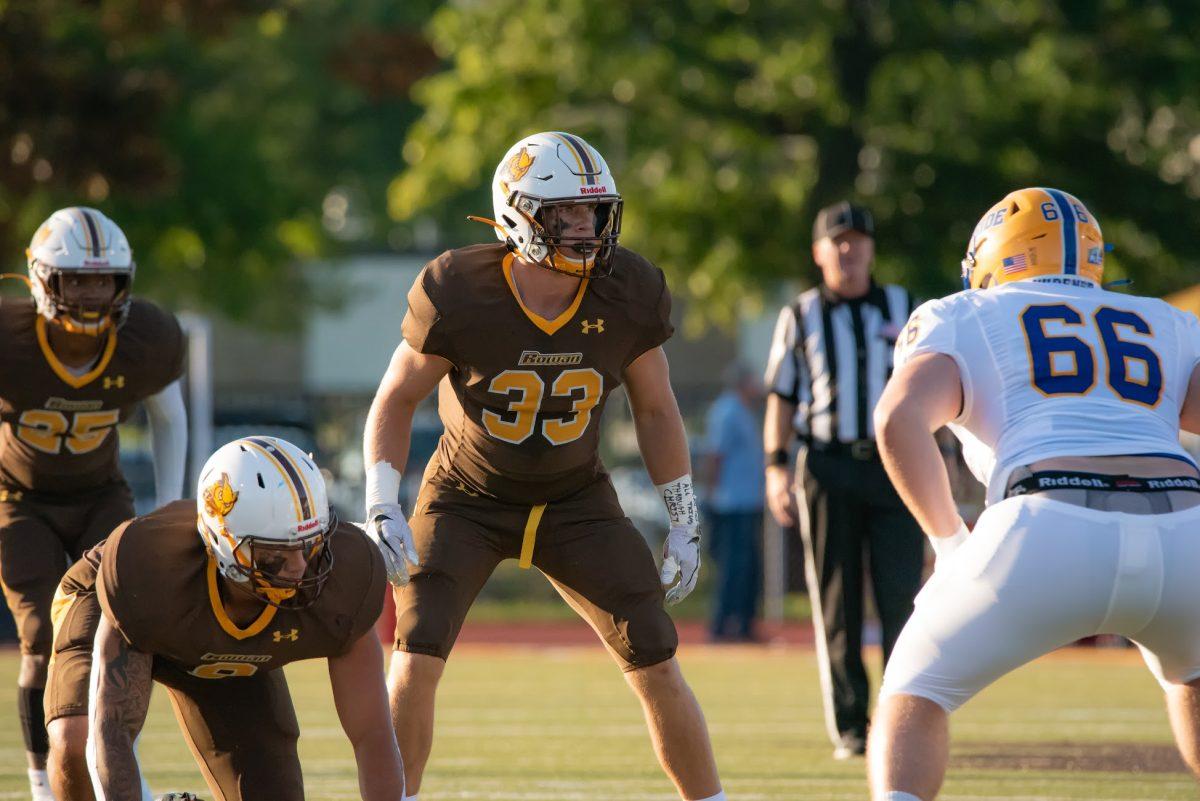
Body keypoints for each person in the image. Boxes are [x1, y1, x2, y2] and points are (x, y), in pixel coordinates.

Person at [362, 131, 725, 801]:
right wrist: (382, 500)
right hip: (464, 494)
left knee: (656, 652)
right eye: (567, 212)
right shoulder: (458, 288)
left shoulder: (629, 290)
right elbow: (397, 397)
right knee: (415, 650)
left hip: (574, 497)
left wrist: (683, 520)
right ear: (519, 213)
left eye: (594, 212)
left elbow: (656, 409)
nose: (587, 227)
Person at [869, 187, 1200, 800]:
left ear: (997, 256)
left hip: (1046, 521)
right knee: (1193, 676)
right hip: (1186, 524)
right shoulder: (1168, 320)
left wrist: (949, 543)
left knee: (916, 690)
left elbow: (897, 420)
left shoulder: (962, 313)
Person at [45, 436, 404, 801]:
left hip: (215, 639)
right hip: (115, 604)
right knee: (77, 736)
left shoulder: (345, 581)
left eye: (309, 547)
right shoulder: (146, 575)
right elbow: (112, 731)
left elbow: (372, 733)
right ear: (223, 542)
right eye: (275, 554)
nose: (299, 570)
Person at [0, 207, 188, 801]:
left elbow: (169, 417)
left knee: (118, 627)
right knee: (40, 636)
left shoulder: (146, 342)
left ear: (122, 283)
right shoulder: (11, 340)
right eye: (76, 279)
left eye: (101, 280)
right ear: (43, 281)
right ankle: (42, 782)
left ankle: (113, 765)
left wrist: (174, 508)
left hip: (101, 497)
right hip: (18, 498)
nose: (89, 293)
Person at [762, 200, 924, 759]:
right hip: (827, 466)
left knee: (903, 596)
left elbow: (934, 387)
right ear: (819, 252)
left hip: (895, 465)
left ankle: (903, 718)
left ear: (873, 248)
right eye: (838, 240)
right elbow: (781, 398)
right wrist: (776, 468)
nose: (849, 249)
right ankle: (853, 727)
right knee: (838, 602)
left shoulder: (906, 308)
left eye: (858, 239)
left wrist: (944, 460)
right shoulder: (801, 314)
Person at [702, 362, 765, 641]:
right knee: (733, 566)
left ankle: (744, 623)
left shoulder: (743, 411)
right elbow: (716, 455)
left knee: (748, 567)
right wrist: (711, 493)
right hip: (730, 503)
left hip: (747, 501)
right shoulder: (727, 411)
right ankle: (722, 625)